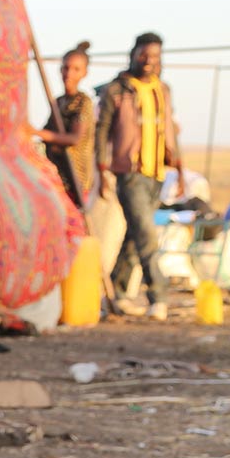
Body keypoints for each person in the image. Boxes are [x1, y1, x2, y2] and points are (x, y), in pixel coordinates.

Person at [95, 32, 180, 319]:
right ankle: (158, 296)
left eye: (154, 56)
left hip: (156, 172)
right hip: (128, 173)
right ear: (133, 54)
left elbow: (170, 128)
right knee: (147, 235)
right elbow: (102, 131)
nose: (148, 61)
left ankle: (117, 294)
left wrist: (178, 167)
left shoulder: (163, 90)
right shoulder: (117, 90)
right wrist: (101, 168)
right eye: (144, 55)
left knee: (134, 236)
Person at [34, 41, 98, 209]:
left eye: (75, 69)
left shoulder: (83, 102)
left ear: (84, 73)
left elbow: (74, 138)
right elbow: (47, 134)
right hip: (57, 175)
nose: (69, 73)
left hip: (75, 177)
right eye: (65, 68)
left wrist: (35, 132)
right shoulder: (59, 102)